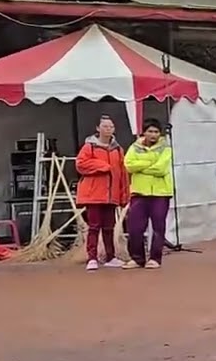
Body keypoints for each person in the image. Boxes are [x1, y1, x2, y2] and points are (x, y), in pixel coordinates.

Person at [75, 115, 130, 271]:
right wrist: (101, 166)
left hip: (111, 195)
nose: (108, 129)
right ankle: (92, 257)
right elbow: (81, 165)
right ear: (98, 129)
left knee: (109, 227)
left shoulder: (118, 149)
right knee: (94, 227)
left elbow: (122, 173)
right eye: (105, 126)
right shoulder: (89, 147)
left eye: (111, 126)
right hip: (94, 195)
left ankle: (110, 256)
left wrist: (124, 194)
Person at [122, 119, 174, 269]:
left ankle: (155, 258)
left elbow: (161, 169)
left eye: (156, 132)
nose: (153, 135)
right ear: (144, 132)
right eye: (150, 131)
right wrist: (150, 163)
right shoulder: (135, 147)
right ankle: (137, 258)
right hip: (139, 192)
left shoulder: (166, 148)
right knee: (135, 227)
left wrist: (141, 166)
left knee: (158, 227)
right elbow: (129, 165)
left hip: (160, 193)